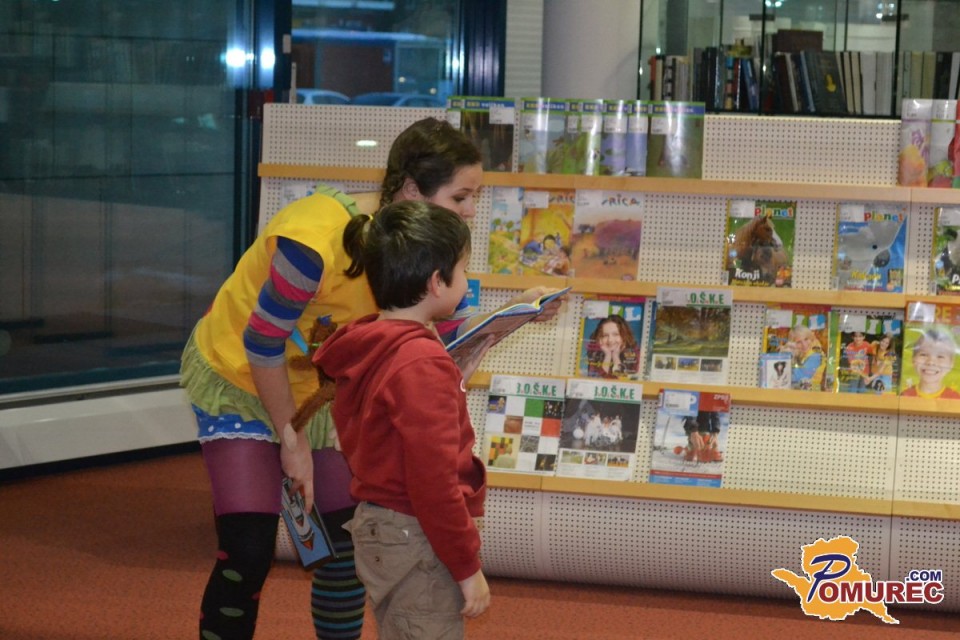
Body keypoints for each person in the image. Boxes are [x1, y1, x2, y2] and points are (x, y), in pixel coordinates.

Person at [181, 116, 559, 640]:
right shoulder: (313, 242)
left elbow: (436, 329)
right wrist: (290, 442)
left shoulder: (422, 247)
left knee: (344, 545)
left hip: (320, 392)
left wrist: (514, 312)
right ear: (412, 190)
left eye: (474, 197)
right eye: (461, 197)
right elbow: (262, 342)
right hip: (240, 379)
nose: (471, 211)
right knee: (246, 547)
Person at [312, 201, 490, 638]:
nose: (466, 280)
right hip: (417, 534)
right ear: (436, 282)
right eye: (463, 270)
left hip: (383, 527)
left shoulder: (376, 344)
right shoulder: (420, 360)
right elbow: (434, 481)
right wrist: (466, 566)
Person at [901, 327, 960, 399]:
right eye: (923, 354)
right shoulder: (905, 395)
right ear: (913, 359)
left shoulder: (955, 398)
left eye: (940, 356)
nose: (931, 362)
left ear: (951, 364)